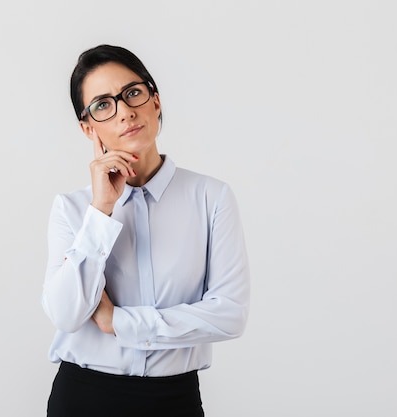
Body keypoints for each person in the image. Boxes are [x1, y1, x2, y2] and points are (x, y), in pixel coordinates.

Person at [41, 44, 250, 417]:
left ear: (155, 101)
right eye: (103, 105)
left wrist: (117, 321)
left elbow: (230, 314)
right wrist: (102, 211)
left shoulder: (211, 198)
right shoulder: (73, 209)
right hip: (84, 397)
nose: (124, 112)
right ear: (88, 128)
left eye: (132, 93)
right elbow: (66, 314)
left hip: (174, 400)